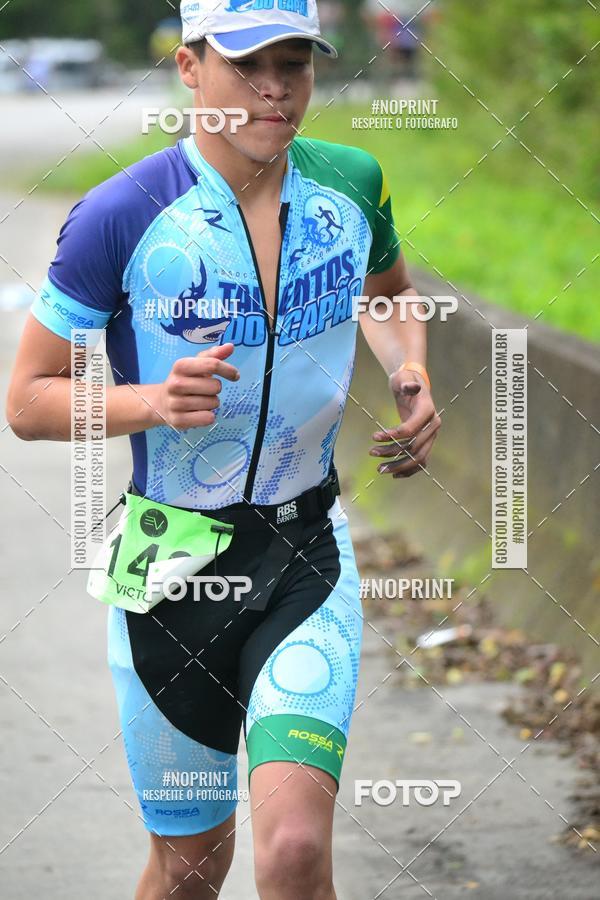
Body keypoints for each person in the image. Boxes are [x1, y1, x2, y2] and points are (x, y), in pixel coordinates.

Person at [6, 0, 441, 896]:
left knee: (295, 849)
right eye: (247, 65)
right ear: (189, 67)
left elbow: (392, 292)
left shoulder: (353, 181)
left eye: (295, 64)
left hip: (304, 552)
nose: (274, 88)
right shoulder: (120, 214)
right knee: (191, 866)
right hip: (171, 566)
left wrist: (411, 371)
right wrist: (149, 402)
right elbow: (28, 401)